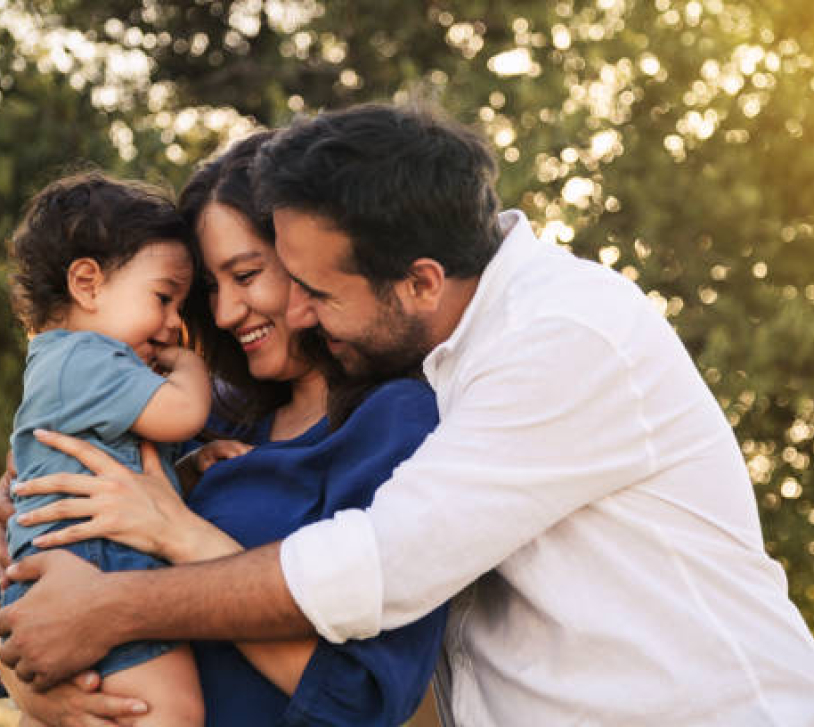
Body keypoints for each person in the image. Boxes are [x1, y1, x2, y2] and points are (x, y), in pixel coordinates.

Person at [3, 103, 814, 725]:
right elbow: (38, 515)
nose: (303, 313)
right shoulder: (255, 408)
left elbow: (379, 569)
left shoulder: (558, 338)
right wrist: (35, 677)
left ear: (419, 280)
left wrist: (116, 602)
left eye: (309, 286)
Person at [0, 130, 446, 726]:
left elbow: (364, 702)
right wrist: (31, 686)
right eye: (210, 288)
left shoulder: (398, 422)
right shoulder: (208, 415)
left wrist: (174, 533)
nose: (224, 312)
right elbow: (26, 537)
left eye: (246, 273)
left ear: (308, 262)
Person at [3, 173, 209, 726]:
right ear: (87, 284)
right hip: (95, 561)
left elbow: (139, 458)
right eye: (164, 298)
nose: (171, 326)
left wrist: (194, 461)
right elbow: (182, 412)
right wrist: (192, 370)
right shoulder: (90, 357)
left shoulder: (65, 364)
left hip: (70, 562)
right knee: (169, 712)